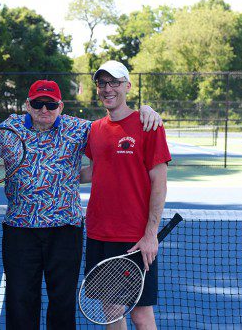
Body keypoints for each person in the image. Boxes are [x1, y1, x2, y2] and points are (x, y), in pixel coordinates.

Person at [0, 79, 163, 330]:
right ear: (27, 104)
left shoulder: (80, 129)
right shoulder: (8, 129)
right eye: (38, 104)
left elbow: (114, 133)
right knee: (21, 301)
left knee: (62, 303)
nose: (44, 110)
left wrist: (144, 110)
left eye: (50, 104)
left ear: (60, 106)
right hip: (20, 232)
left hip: (65, 232)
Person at [80, 61, 171, 330]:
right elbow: (96, 170)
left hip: (133, 237)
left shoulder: (148, 125)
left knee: (140, 314)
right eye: (102, 83)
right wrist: (57, 177)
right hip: (99, 233)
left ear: (127, 86)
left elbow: (159, 182)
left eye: (114, 83)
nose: (107, 89)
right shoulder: (95, 129)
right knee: (112, 311)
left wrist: (150, 233)